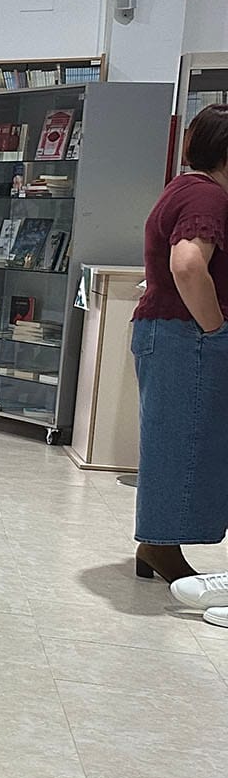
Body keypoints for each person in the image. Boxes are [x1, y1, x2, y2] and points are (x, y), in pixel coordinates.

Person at [133, 105, 228, 603]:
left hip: (170, 332)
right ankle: (159, 545)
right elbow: (188, 264)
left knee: (175, 438)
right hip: (185, 335)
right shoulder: (207, 196)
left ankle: (158, 543)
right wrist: (215, 328)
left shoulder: (185, 187)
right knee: (183, 442)